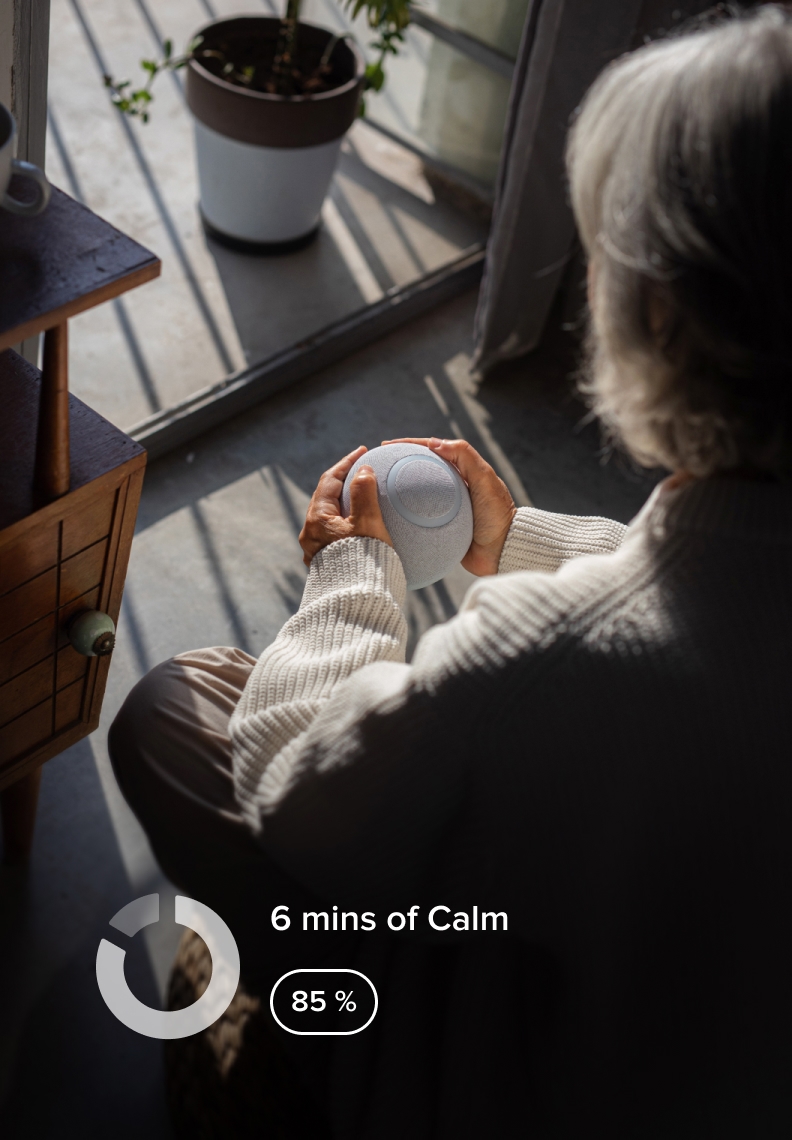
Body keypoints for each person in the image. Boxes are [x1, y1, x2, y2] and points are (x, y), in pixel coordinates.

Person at [110, 7, 792, 1136]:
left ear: (654, 312)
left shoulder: (533, 660)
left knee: (167, 714)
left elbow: (296, 797)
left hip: (515, 1077)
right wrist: (515, 541)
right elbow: (719, 589)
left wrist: (355, 580)